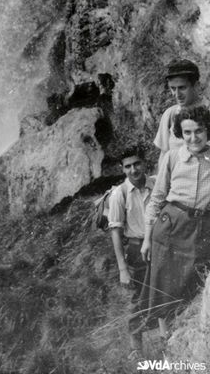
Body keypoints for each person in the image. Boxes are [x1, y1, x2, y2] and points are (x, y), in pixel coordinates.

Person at [140, 106, 210, 336]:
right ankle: (164, 339)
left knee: (192, 283)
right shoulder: (172, 157)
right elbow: (157, 199)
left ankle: (184, 337)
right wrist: (147, 240)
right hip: (170, 225)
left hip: (201, 228)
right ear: (180, 134)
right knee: (163, 283)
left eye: (199, 131)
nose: (193, 137)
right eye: (187, 132)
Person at [108, 146, 155, 356]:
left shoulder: (157, 184)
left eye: (137, 164)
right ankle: (136, 346)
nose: (133, 170)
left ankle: (167, 334)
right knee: (140, 296)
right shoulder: (120, 194)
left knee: (164, 289)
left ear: (144, 163)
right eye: (128, 166)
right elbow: (116, 232)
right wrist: (122, 268)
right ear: (122, 169)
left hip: (162, 245)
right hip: (137, 249)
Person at [154, 59, 202, 167]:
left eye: (182, 88)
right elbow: (164, 156)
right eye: (173, 88)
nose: (177, 94)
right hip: (178, 181)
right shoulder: (169, 115)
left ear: (196, 85)